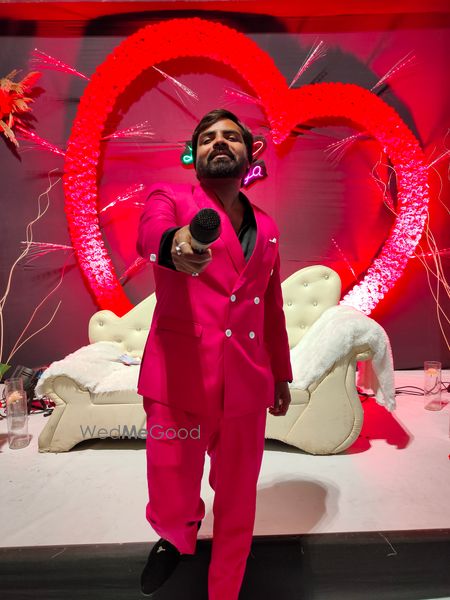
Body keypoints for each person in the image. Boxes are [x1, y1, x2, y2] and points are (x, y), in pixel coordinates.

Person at [137, 108, 293, 599]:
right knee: (171, 482)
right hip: (178, 377)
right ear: (193, 153)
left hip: (247, 383)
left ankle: (225, 589)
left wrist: (280, 375)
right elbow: (152, 234)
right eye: (207, 138)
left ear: (250, 154)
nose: (219, 143)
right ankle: (174, 536)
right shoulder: (170, 199)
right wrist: (176, 245)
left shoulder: (267, 227)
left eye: (231, 137)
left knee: (239, 497)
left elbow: (271, 306)